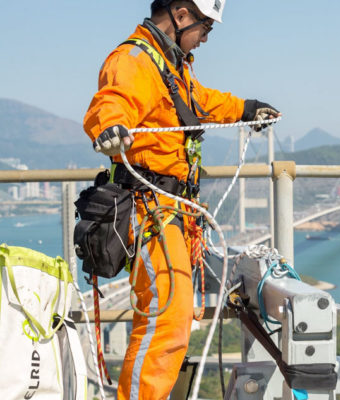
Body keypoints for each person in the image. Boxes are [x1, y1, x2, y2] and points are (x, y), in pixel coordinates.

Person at [83, 1, 280, 398]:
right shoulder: (135, 59)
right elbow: (111, 102)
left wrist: (245, 109)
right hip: (149, 209)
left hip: (172, 212)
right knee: (167, 320)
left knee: (175, 317)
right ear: (181, 14)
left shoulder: (170, 66)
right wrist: (109, 128)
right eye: (206, 27)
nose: (206, 38)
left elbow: (199, 102)